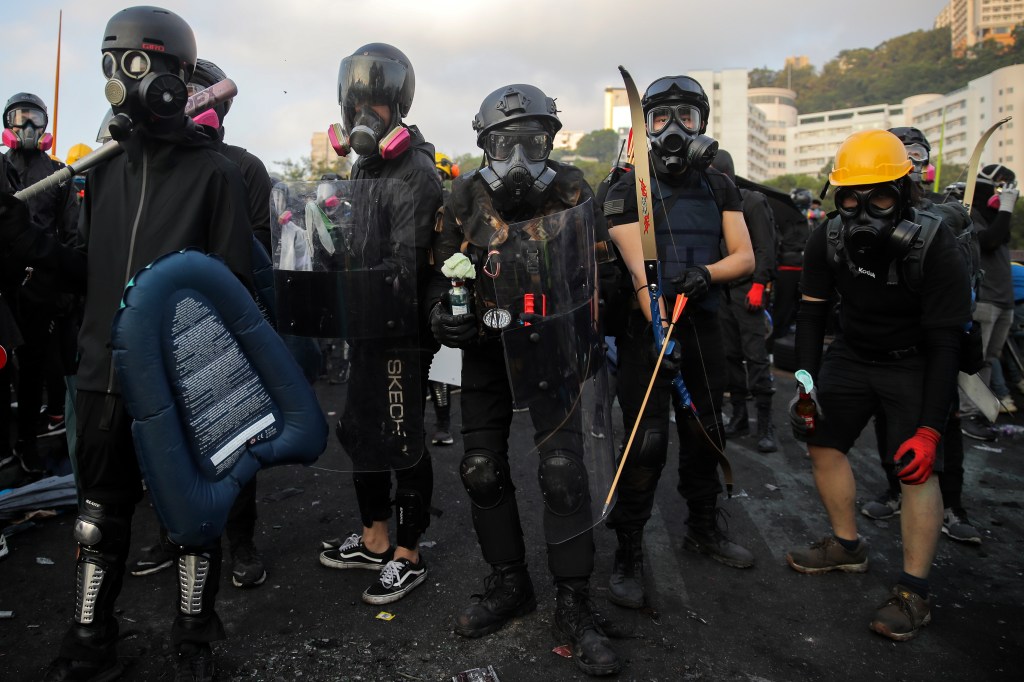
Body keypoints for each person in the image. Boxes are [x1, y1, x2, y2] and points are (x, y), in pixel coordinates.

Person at [0, 7, 255, 680]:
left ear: (178, 78)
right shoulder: (103, 172)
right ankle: (88, 641)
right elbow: (83, 263)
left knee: (193, 518)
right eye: (114, 66)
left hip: (178, 380)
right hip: (101, 375)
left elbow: (232, 286)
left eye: (139, 65)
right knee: (96, 519)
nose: (125, 80)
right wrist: (15, 231)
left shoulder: (216, 174)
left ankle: (195, 639)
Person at [429, 83, 621, 676]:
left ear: (551, 142)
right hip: (485, 351)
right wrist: (443, 317)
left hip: (551, 346)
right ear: (483, 144)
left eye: (531, 143)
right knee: (479, 467)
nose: (518, 159)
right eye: (503, 144)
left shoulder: (571, 190)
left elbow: (601, 275)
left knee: (563, 473)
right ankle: (510, 583)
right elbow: (440, 277)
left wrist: (586, 314)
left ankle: (574, 602)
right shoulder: (460, 195)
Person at [785, 129, 972, 642]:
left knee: (916, 470)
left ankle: (914, 590)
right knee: (820, 440)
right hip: (852, 353)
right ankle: (847, 546)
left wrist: (931, 430)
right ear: (836, 196)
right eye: (850, 198)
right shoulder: (828, 236)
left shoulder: (935, 246)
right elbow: (811, 314)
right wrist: (805, 387)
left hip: (916, 360)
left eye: (881, 197)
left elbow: (945, 343)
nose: (863, 212)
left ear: (905, 192)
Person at [602, 74, 755, 612]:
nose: (672, 128)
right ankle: (627, 551)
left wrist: (708, 274)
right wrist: (660, 327)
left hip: (704, 323)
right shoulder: (626, 188)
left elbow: (744, 255)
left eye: (684, 117)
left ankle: (703, 527)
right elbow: (639, 273)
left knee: (705, 431)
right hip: (648, 331)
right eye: (660, 117)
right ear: (644, 127)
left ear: (702, 125)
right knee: (645, 444)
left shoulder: (718, 185)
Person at [128, 57, 272, 587]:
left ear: (220, 103)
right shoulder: (152, 164)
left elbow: (254, 244)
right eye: (182, 90)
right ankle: (175, 533)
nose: (190, 99)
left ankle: (242, 541)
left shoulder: (241, 165)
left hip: (219, 324)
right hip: (157, 323)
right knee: (167, 440)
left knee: (234, 435)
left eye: (201, 92)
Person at [317, 43, 443, 607]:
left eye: (377, 105)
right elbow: (356, 250)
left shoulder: (415, 170)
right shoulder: (362, 167)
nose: (364, 116)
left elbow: (404, 267)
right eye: (356, 104)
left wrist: (351, 272)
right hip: (367, 326)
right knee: (358, 433)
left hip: (403, 333)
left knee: (401, 437)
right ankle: (374, 537)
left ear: (399, 107)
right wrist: (323, 243)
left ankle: (408, 553)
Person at [860, 126, 983, 545]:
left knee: (942, 419)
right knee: (886, 418)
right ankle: (896, 489)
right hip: (892, 343)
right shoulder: (867, 211)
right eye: (902, 152)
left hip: (941, 337)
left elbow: (969, 266)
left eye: (919, 154)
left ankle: (953, 505)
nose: (912, 162)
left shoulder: (947, 213)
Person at [3, 92, 78, 475]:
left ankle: (27, 442)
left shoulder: (59, 174)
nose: (28, 126)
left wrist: (62, 289)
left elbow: (71, 235)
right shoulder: (1, 168)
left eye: (35, 119)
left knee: (34, 371)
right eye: (21, 118)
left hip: (40, 288)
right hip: (4, 289)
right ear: (8, 124)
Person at [712, 149, 778, 452]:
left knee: (755, 356)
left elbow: (765, 246)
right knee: (727, 356)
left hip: (747, 288)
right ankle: (738, 416)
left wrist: (760, 284)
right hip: (722, 290)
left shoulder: (751, 201)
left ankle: (766, 425)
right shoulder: (713, 203)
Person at [960, 163, 1019, 440]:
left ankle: (980, 412)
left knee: (989, 359)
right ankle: (968, 413)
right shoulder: (971, 213)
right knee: (975, 360)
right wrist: (1005, 209)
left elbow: (1001, 235)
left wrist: (1004, 210)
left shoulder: (994, 216)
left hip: (1003, 299)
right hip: (985, 298)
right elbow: (990, 241)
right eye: (999, 186)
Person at [428, 151, 460, 447]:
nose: (435, 181)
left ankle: (442, 422)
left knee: (441, 367)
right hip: (409, 284)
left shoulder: (455, 206)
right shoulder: (404, 197)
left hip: (444, 286)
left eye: (441, 176)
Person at [770, 188, 812, 349]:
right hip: (788, 268)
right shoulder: (785, 219)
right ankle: (776, 342)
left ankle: (783, 340)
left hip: (797, 269)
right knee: (783, 308)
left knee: (794, 308)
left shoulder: (805, 222)